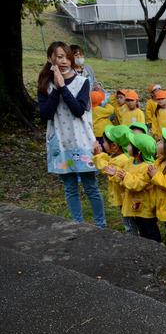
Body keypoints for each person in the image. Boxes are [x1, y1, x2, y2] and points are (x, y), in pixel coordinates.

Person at [37, 41, 106, 228]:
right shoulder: (45, 83)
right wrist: (56, 89)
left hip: (82, 142)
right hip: (60, 143)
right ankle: (77, 225)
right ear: (50, 58)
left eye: (67, 57)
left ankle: (101, 226)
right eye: (59, 57)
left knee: (90, 186)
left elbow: (78, 110)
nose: (64, 61)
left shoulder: (83, 82)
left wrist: (63, 87)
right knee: (69, 188)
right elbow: (45, 114)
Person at [118, 132, 159, 241]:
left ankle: (157, 247)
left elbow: (137, 184)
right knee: (142, 228)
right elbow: (124, 175)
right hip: (135, 204)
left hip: (146, 206)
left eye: (131, 145)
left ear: (139, 152)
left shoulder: (147, 167)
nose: (128, 147)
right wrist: (120, 176)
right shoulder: (131, 161)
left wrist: (125, 177)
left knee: (150, 228)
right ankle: (146, 247)